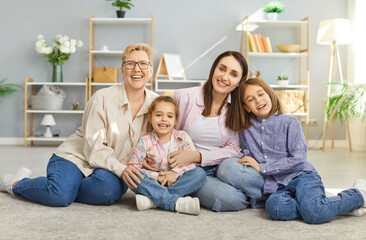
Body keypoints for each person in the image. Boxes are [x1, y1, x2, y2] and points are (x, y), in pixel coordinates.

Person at [0, 43, 159, 207]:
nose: (136, 69)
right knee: (59, 196)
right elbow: (93, 146)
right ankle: (17, 182)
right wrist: (122, 169)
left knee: (107, 192)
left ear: (151, 70)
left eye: (143, 63)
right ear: (122, 69)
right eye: (130, 63)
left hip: (109, 167)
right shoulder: (102, 98)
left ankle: (65, 185)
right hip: (76, 157)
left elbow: (157, 143)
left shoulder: (157, 105)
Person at [143, 51, 266, 212]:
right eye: (222, 69)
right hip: (191, 171)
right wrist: (150, 153)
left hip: (223, 166)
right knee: (233, 200)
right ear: (214, 68)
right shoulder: (185, 97)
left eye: (233, 74)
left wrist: (198, 156)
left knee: (230, 168)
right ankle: (169, 195)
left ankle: (275, 196)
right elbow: (165, 131)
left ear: (238, 83)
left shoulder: (238, 108)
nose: (225, 77)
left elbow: (235, 149)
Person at [236, 77, 366, 224]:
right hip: (278, 185)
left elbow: (298, 159)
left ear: (270, 94)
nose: (258, 100)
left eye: (261, 94)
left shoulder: (290, 122)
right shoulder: (245, 130)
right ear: (246, 107)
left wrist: (263, 167)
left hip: (302, 175)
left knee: (314, 214)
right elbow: (246, 156)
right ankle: (328, 205)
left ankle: (358, 194)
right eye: (251, 99)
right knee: (275, 208)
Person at [128, 96, 206, 215]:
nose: (164, 119)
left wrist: (174, 173)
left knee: (200, 174)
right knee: (133, 176)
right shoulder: (144, 141)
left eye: (169, 116)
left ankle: (154, 200)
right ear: (150, 117)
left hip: (179, 181)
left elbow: (192, 165)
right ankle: (174, 202)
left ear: (175, 120)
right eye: (158, 115)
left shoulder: (183, 137)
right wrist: (157, 177)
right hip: (153, 183)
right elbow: (133, 167)